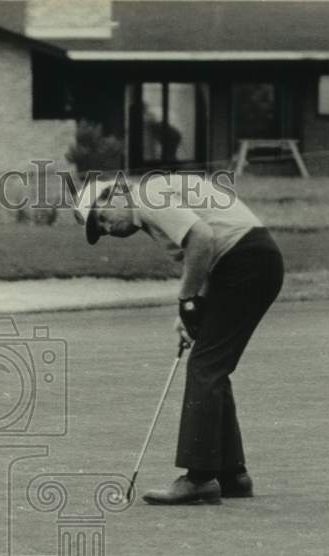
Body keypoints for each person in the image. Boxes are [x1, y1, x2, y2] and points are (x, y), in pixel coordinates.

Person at [73, 173, 284, 505]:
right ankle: (232, 475)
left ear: (115, 193)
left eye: (102, 217)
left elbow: (201, 238)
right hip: (250, 261)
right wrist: (194, 309)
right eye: (101, 230)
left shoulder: (147, 196)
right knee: (211, 363)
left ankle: (199, 478)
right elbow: (205, 255)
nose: (108, 228)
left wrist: (187, 301)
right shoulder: (150, 204)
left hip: (246, 262)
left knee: (205, 367)